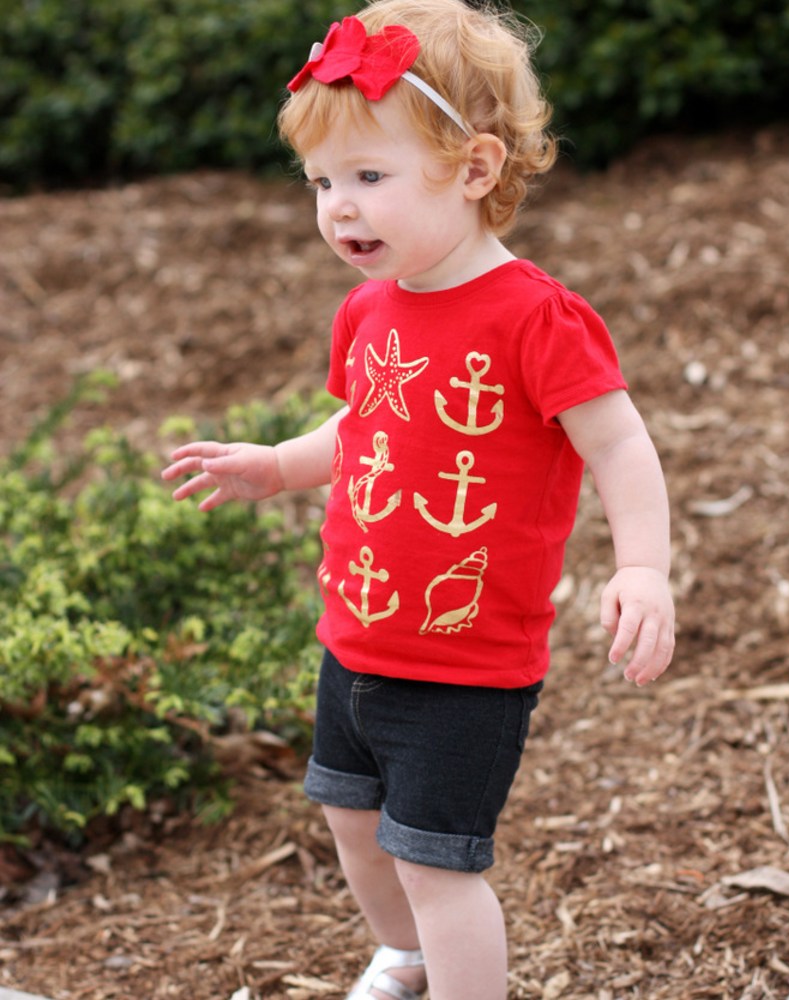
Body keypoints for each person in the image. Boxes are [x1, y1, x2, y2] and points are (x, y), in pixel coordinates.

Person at [161, 1, 676, 996]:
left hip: (464, 671)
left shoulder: (536, 317)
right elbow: (363, 427)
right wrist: (275, 464)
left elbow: (618, 444)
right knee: (353, 828)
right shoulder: (367, 308)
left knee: (438, 865)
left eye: (366, 177)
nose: (336, 208)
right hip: (351, 641)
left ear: (473, 171)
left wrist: (642, 569)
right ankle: (399, 958)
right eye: (319, 182)